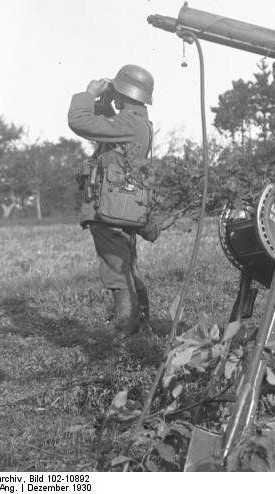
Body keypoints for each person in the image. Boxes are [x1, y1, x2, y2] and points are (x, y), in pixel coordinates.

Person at [69, 64, 159, 343]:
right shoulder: (136, 121)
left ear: (124, 94)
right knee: (127, 270)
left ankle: (125, 334)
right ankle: (140, 328)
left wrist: (88, 94)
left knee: (117, 275)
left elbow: (80, 122)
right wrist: (107, 104)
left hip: (109, 214)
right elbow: (108, 131)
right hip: (122, 210)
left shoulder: (129, 123)